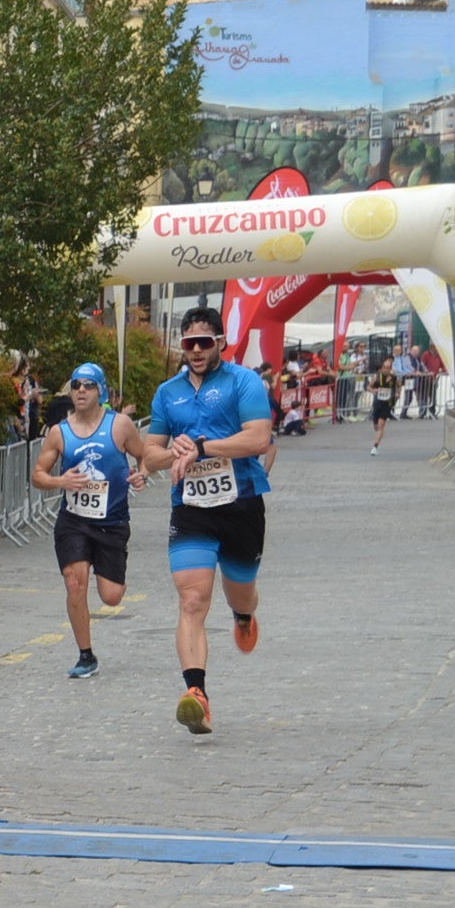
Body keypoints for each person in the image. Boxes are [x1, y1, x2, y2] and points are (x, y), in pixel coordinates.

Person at [141, 306, 274, 737]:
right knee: (193, 600)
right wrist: (173, 454)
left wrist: (203, 446)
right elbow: (150, 454)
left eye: (204, 342)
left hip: (242, 505)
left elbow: (258, 438)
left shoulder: (244, 382)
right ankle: (196, 693)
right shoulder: (168, 393)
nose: (195, 351)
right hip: (191, 509)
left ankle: (243, 616)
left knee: (242, 593)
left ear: (221, 343)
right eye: (188, 343)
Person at [31, 363, 151, 680]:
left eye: (88, 385)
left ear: (101, 391)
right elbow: (38, 475)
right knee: (75, 582)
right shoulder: (60, 432)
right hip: (73, 521)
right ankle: (86, 656)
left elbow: (144, 455)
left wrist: (142, 473)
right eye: (76, 385)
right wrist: (60, 483)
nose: (81, 390)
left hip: (112, 522)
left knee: (111, 597)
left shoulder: (120, 425)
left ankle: (108, 569)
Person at [369, 361, 396, 452]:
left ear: (390, 369)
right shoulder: (377, 377)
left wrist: (398, 393)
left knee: (381, 425)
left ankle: (375, 447)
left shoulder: (394, 378)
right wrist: (373, 390)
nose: (385, 369)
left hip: (387, 404)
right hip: (377, 403)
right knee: (376, 426)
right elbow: (369, 387)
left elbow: (399, 386)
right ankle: (376, 427)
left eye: (388, 368)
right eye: (384, 367)